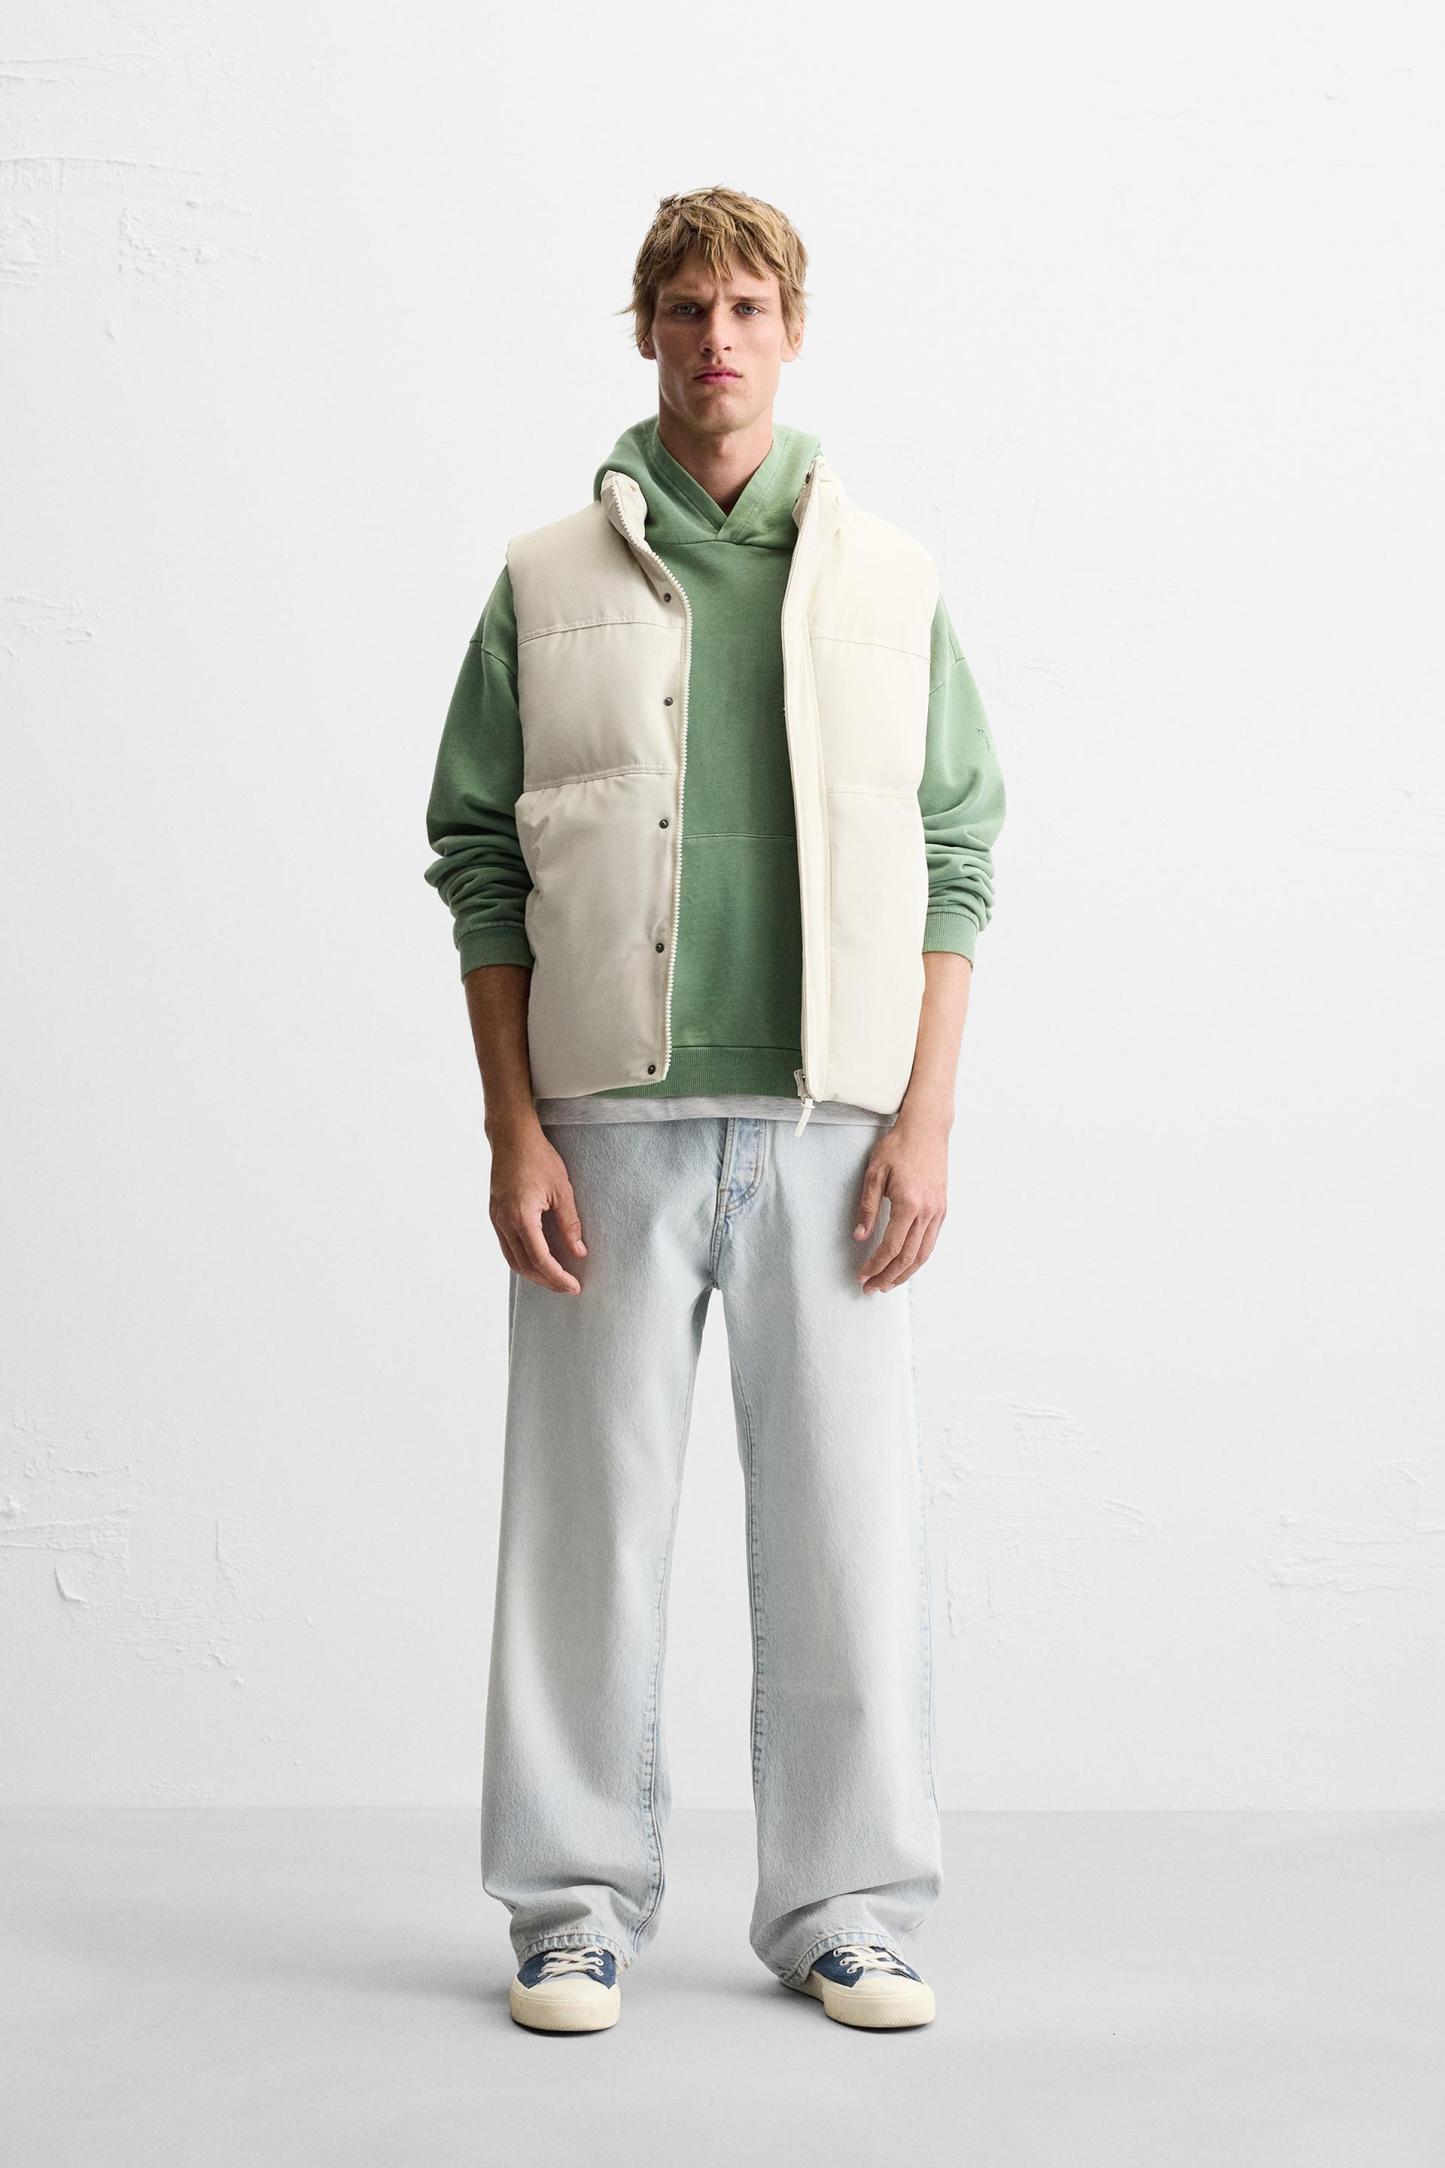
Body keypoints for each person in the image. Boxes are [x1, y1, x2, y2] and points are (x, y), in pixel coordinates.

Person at [423, 185, 1006, 2035]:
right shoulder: (544, 581)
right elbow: (477, 858)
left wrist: (924, 1122)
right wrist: (512, 1127)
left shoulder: (890, 580)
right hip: (602, 1128)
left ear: (793, 330)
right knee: (582, 1535)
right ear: (645, 331)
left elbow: (958, 856)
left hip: (836, 1136)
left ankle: (844, 1907)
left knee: (846, 1538)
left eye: (748, 305)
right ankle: (568, 1909)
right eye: (684, 307)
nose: (716, 338)